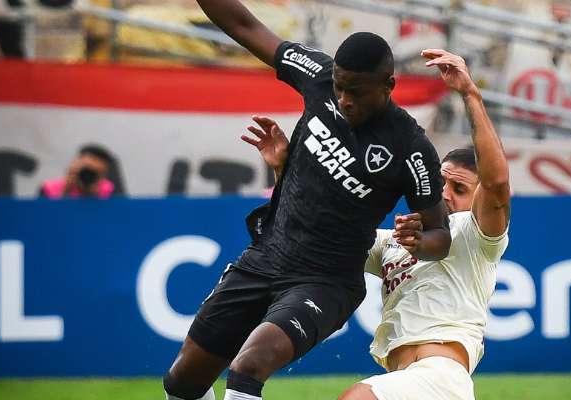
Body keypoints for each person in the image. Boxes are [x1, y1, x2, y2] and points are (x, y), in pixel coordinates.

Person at [161, 1, 452, 399]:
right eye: (340, 86)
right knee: (182, 381)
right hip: (264, 258)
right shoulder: (317, 75)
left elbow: (441, 236)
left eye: (357, 92)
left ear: (388, 86)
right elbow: (246, 26)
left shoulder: (411, 148)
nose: (345, 99)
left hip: (326, 282)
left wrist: (421, 242)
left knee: (248, 366)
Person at [246, 49, 511, 400]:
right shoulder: (393, 241)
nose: (445, 194)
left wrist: (469, 94)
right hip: (407, 379)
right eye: (440, 182)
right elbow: (318, 230)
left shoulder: (476, 238)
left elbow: (495, 183)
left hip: (438, 378)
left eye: (459, 188)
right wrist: (284, 171)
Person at [38, 144, 115, 199]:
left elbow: (110, 216)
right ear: (75, 165)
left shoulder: (109, 190)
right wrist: (66, 189)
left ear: (104, 174)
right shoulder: (49, 188)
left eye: (95, 172)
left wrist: (93, 195)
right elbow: (45, 215)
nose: (88, 175)